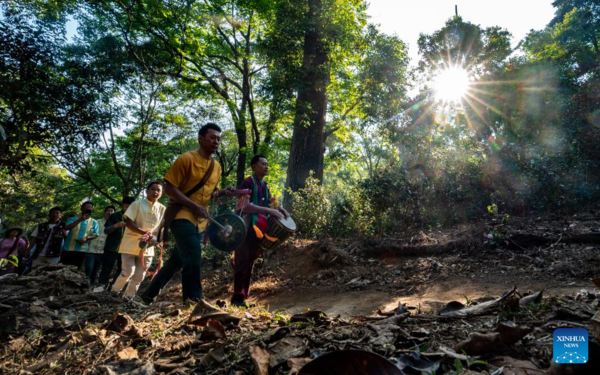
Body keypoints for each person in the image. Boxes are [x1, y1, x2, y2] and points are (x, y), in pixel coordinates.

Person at [141, 123, 234, 304]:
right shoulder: (186, 159)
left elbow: (212, 192)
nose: (216, 142)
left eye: (218, 139)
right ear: (201, 138)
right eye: (212, 137)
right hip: (180, 215)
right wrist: (193, 205)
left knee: (177, 261)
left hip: (200, 220)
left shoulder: (216, 167)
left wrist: (223, 192)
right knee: (193, 255)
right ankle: (193, 301)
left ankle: (146, 297)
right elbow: (169, 188)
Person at [232, 155, 289, 307]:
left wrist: (280, 209)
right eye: (263, 164)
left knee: (250, 262)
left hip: (258, 229)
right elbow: (244, 206)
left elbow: (270, 206)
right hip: (245, 227)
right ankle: (237, 297)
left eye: (267, 164)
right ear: (254, 166)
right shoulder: (248, 182)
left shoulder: (265, 185)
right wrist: (270, 212)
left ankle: (243, 297)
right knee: (242, 261)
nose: (266, 166)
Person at [111, 181, 166, 299]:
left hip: (148, 247)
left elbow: (162, 228)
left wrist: (157, 240)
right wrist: (144, 233)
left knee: (140, 275)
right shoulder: (137, 204)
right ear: (146, 191)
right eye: (153, 189)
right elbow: (129, 223)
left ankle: (128, 297)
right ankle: (114, 292)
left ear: (161, 193)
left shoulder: (162, 209)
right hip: (130, 243)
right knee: (128, 272)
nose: (155, 192)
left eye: (158, 190)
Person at [98, 197, 135, 287]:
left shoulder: (135, 218)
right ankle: (101, 286)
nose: (128, 209)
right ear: (122, 205)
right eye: (126, 206)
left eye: (131, 207)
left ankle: (114, 287)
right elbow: (106, 231)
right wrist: (116, 225)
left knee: (122, 270)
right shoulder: (115, 216)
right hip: (111, 247)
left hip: (126, 249)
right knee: (106, 268)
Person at [60, 201, 99, 269]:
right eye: (86, 206)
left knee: (76, 269)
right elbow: (66, 227)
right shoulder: (73, 218)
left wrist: (87, 238)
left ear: (92, 210)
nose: (88, 208)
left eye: (90, 207)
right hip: (68, 248)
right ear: (81, 208)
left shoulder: (94, 222)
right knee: (63, 268)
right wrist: (80, 219)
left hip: (82, 250)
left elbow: (96, 234)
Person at [84, 205, 115, 285]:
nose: (110, 212)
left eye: (112, 211)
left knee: (96, 270)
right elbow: (88, 232)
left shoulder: (114, 225)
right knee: (89, 268)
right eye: (108, 210)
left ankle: (90, 285)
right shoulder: (96, 222)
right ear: (104, 212)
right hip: (91, 249)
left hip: (103, 251)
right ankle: (83, 283)